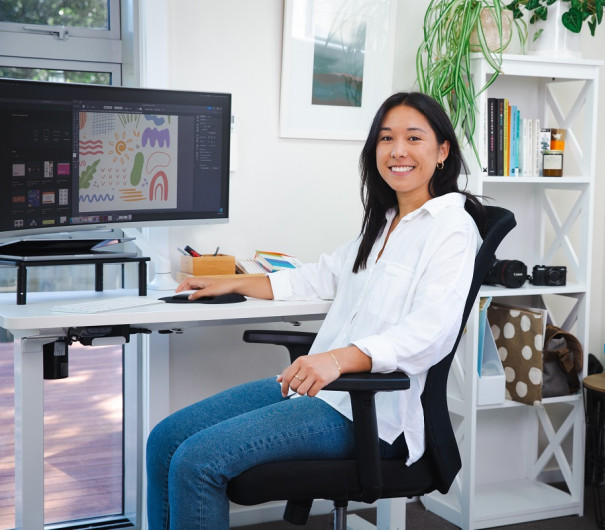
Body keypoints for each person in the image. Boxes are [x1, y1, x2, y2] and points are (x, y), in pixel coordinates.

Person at [145, 91, 485, 529]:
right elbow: (315, 277)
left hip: (370, 413)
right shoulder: (384, 223)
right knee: (164, 441)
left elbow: (431, 333)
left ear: (442, 152)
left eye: (413, 138)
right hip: (321, 390)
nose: (398, 151)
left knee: (196, 461)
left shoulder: (452, 230)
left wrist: (335, 359)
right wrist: (227, 280)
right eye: (386, 139)